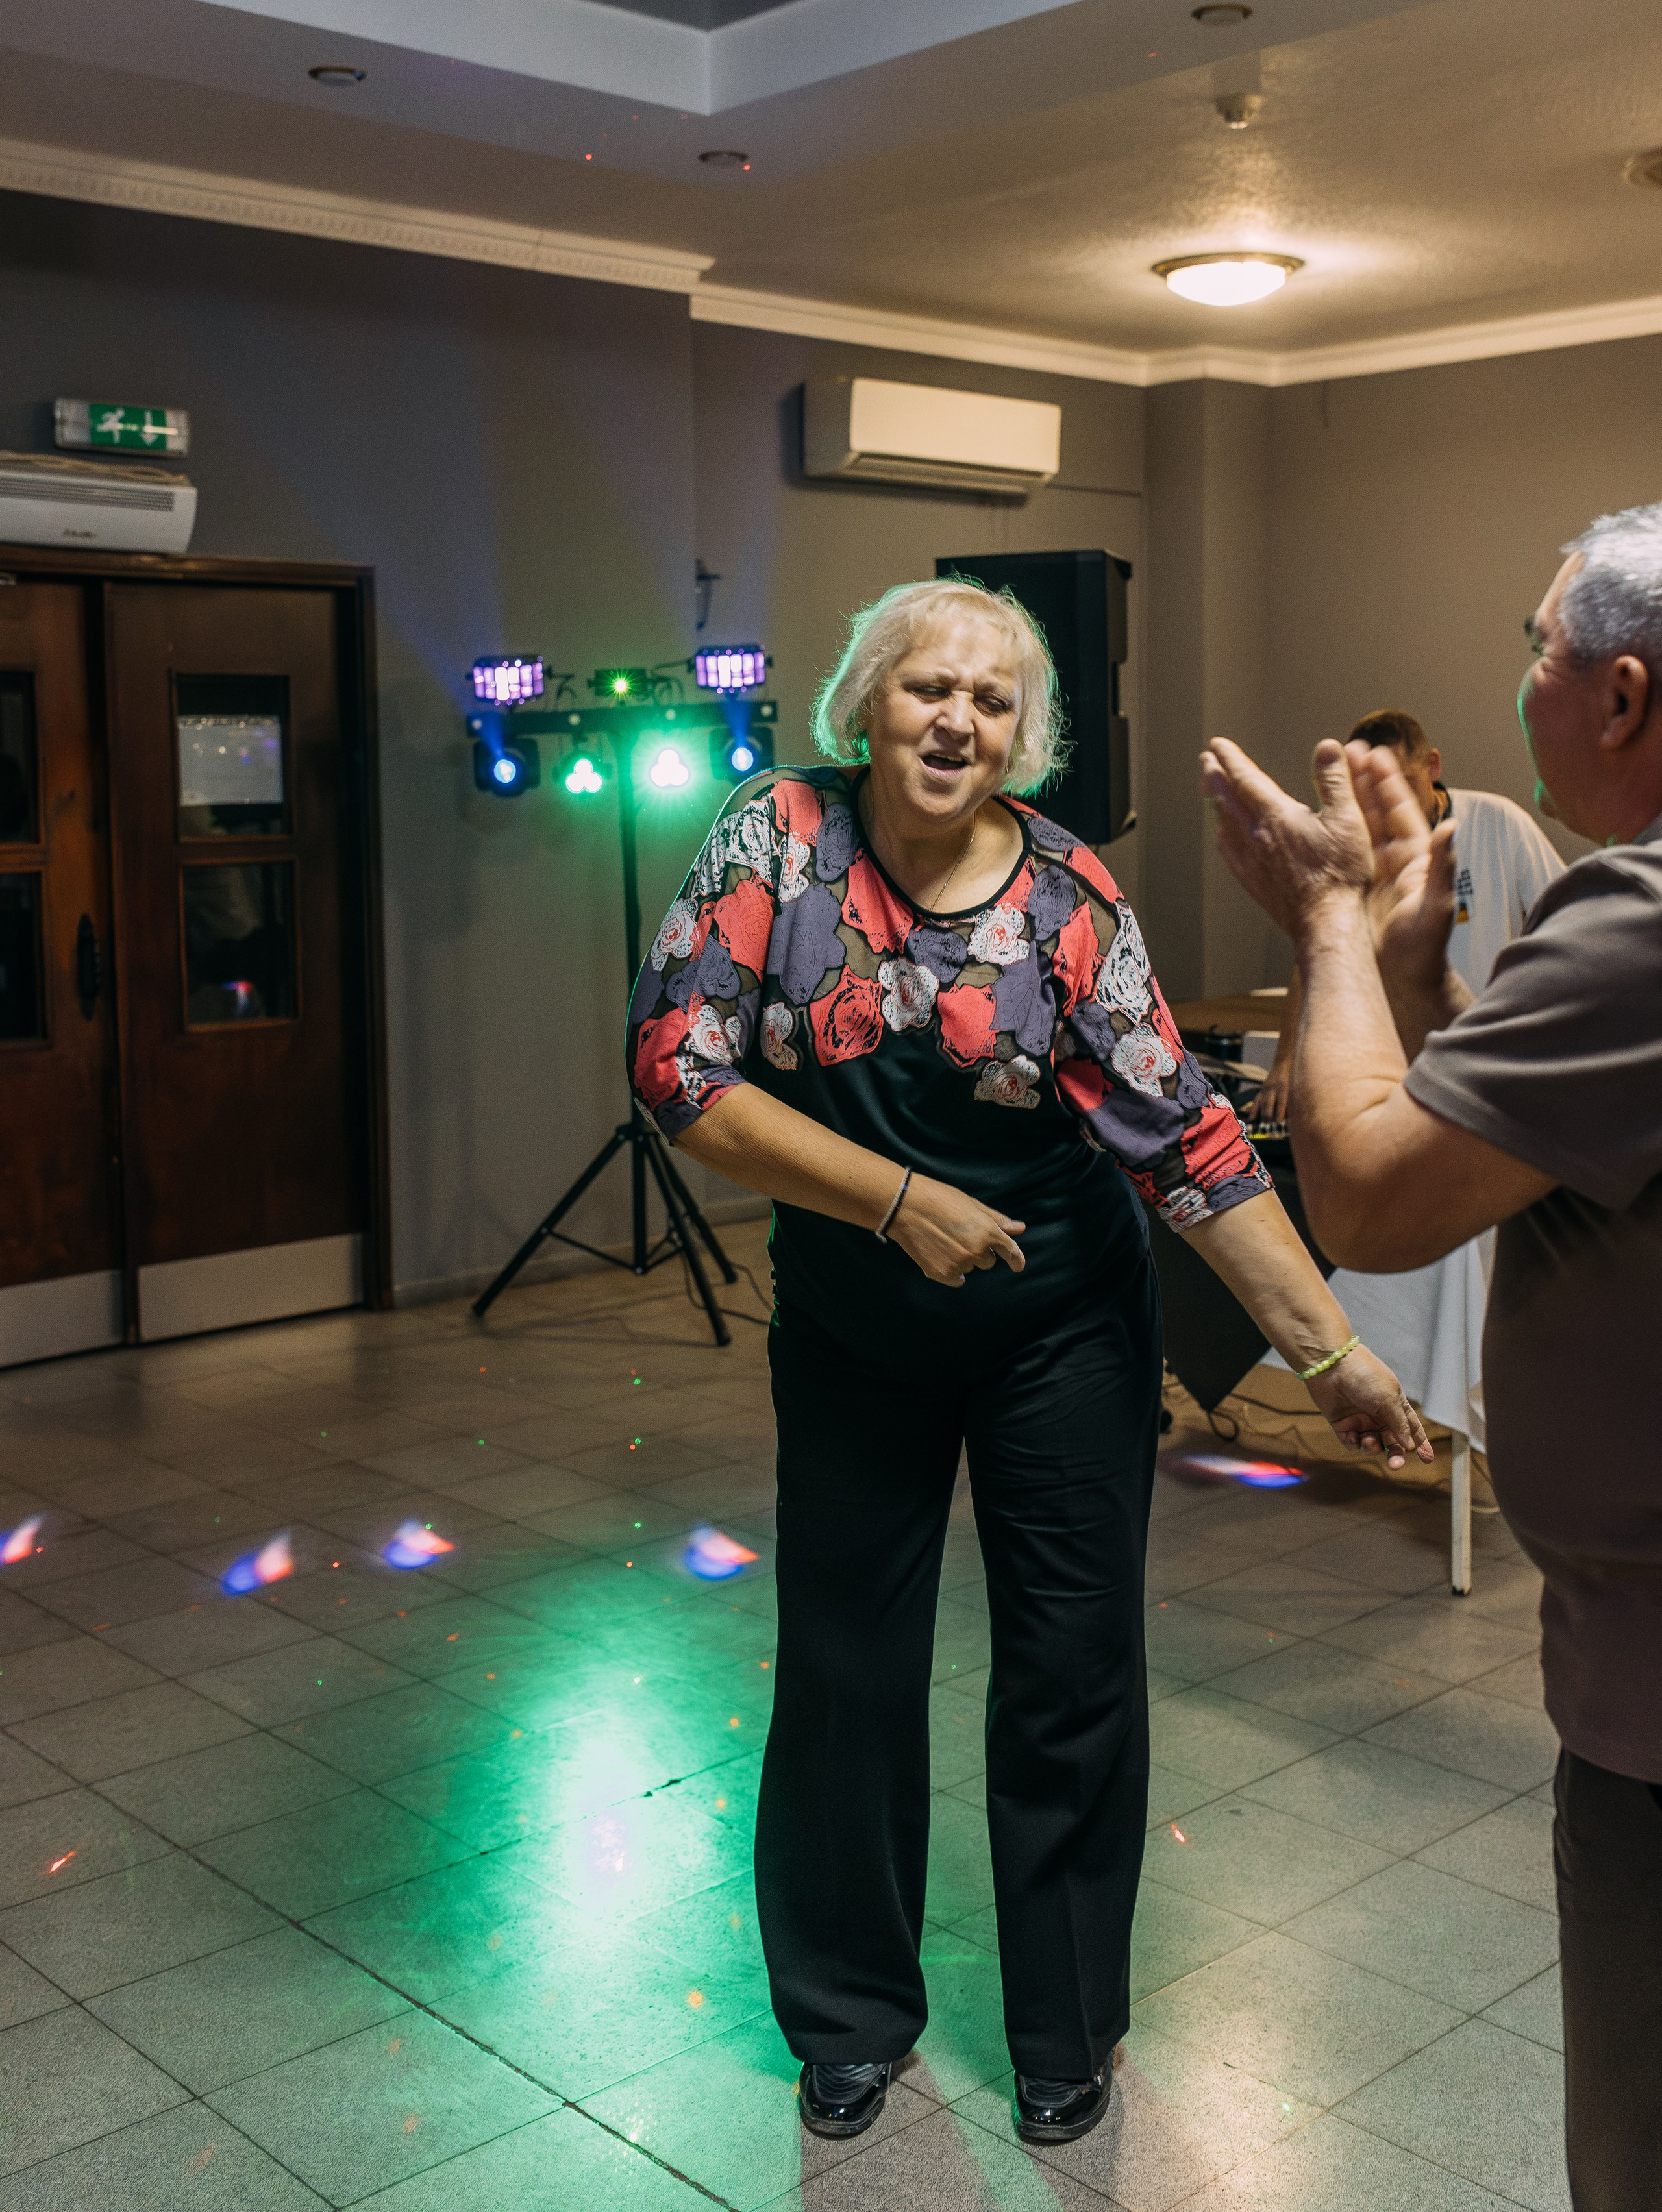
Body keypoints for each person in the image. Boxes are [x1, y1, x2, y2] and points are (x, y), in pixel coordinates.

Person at [627, 576, 1428, 2150]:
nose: (956, 721)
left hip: (1059, 1323)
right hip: (855, 1323)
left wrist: (1327, 1349)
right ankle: (846, 2017)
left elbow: (1185, 1138)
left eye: (990, 701)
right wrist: (897, 1199)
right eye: (927, 687)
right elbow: (675, 1069)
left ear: (1021, 734)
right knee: (846, 1669)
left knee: (1069, 1673)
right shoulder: (772, 838)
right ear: (865, 702)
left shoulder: (1068, 894)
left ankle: (1065, 2030)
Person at [1200, 502, 1662, 2212]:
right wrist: (1409, 976)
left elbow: (1375, 1200)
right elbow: (1527, 1131)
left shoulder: (1638, 918)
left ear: (1619, 694)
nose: (1523, 684)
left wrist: (1327, 924)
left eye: (1537, 651)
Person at [1258, 709, 1562, 1453]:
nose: (1378, 803)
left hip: (1491, 1080)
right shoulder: (1359, 844)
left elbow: (1554, 922)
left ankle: (1494, 1424)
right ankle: (1437, 1410)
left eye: (1393, 782)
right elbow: (1315, 954)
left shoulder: (1499, 825)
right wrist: (1287, 1061)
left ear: (1431, 767)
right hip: (1407, 1078)